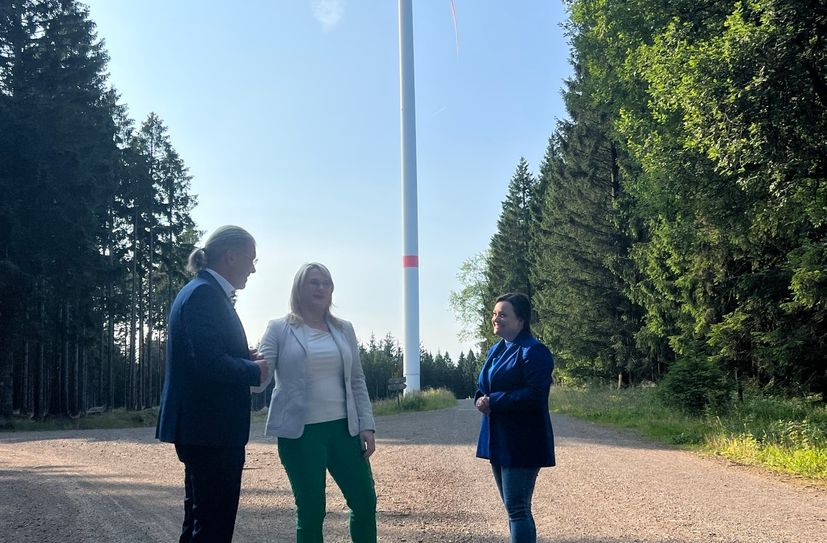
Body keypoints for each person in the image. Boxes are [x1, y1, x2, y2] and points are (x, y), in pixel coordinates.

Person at [156, 225, 269, 543]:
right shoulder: (205, 294)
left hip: (204, 430)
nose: (253, 269)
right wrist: (253, 370)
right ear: (230, 257)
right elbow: (209, 363)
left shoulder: (201, 291)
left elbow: (205, 353)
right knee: (213, 527)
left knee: (199, 521)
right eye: (251, 259)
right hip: (211, 431)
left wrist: (242, 356)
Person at [254, 262, 377, 543]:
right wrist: (245, 364)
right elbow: (258, 381)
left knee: (364, 502)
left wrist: (367, 425)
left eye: (326, 283)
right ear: (299, 288)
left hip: (345, 430)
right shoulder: (279, 329)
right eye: (313, 282)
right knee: (311, 511)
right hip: (301, 435)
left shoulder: (344, 329)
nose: (321, 288)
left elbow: (357, 380)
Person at [474, 292, 555, 543]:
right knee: (513, 509)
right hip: (498, 439)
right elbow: (483, 385)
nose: (496, 319)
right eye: (494, 314)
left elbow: (536, 395)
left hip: (523, 440)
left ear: (520, 320)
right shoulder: (497, 349)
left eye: (503, 315)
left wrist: (495, 401)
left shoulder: (534, 351)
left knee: (518, 509)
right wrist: (480, 398)